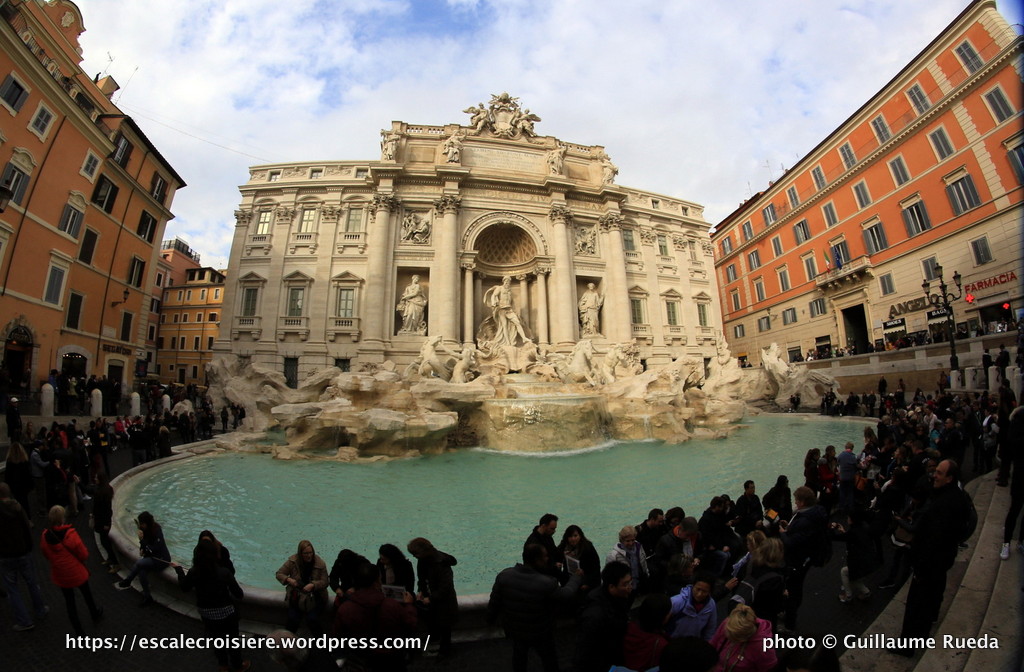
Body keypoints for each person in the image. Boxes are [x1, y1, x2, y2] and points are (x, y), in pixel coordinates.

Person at [894, 459, 970, 656]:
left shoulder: (943, 505)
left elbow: (932, 539)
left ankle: (907, 645)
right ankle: (923, 631)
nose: (934, 476)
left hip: (929, 563)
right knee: (931, 599)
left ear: (949, 478)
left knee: (916, 604)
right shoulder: (958, 496)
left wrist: (919, 565)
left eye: (939, 473)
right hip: (943, 560)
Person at [488, 543, 583, 672]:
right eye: (545, 556)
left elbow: (494, 603)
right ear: (538, 560)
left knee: (519, 658)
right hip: (540, 632)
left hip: (515, 629)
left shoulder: (504, 576)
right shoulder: (547, 583)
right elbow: (566, 595)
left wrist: (490, 620)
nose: (547, 559)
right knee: (549, 661)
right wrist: (576, 578)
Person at [174, 538, 250, 672]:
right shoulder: (223, 572)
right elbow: (239, 594)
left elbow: (184, 587)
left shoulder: (194, 572)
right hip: (227, 613)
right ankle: (238, 665)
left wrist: (179, 571)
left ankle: (223, 665)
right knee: (232, 640)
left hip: (207, 614)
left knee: (216, 640)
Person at [334, 559, 418, 672]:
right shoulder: (392, 605)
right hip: (391, 658)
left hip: (360, 658)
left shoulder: (345, 609)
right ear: (377, 582)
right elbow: (410, 625)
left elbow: (338, 636)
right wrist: (409, 606)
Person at [40, 505, 103, 635]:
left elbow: (46, 553)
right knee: (86, 593)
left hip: (60, 573)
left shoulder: (45, 536)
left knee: (70, 603)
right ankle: (94, 613)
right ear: (63, 518)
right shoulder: (70, 535)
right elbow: (83, 554)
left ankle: (79, 632)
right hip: (76, 571)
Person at [0, 483, 49, 632]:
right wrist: (29, 547)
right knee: (32, 582)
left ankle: (24, 620)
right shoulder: (17, 507)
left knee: (12, 589)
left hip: (5, 556)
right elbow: (26, 528)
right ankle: (40, 609)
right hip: (23, 552)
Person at [780, 486, 828, 631]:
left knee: (792, 590)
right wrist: (790, 528)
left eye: (796, 500)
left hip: (797, 560)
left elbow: (791, 543)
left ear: (802, 502)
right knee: (797, 588)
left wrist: (783, 533)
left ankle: (789, 624)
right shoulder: (816, 513)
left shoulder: (805, 521)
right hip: (806, 558)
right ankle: (790, 612)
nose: (795, 502)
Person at [574, 561, 632, 672]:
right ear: (611, 587)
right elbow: (584, 652)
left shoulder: (617, 597)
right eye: (625, 584)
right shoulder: (595, 615)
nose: (630, 587)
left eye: (630, 582)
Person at [407, 537, 458, 657]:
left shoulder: (441, 563)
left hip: (444, 601)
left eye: (416, 554)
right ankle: (437, 643)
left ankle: (444, 652)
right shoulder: (423, 560)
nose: (414, 556)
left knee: (445, 628)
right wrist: (421, 591)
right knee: (436, 624)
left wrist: (431, 598)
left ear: (424, 551)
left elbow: (446, 586)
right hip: (432, 598)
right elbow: (422, 578)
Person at [116, 510, 172, 606]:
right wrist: (142, 549)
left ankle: (128, 580)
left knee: (139, 563)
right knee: (142, 572)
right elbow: (145, 546)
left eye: (142, 523)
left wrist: (142, 541)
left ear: (147, 523)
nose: (141, 525)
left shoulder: (157, 530)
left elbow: (155, 548)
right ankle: (147, 596)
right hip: (151, 558)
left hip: (161, 559)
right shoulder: (144, 531)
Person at [276, 539, 329, 633]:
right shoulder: (292, 562)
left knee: (312, 619)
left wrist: (313, 585)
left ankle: (321, 641)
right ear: (300, 554)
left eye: (310, 552)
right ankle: (288, 640)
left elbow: (325, 582)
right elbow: (279, 574)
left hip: (315, 597)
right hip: (297, 597)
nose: (309, 555)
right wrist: (289, 580)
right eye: (306, 553)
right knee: (292, 620)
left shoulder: (320, 563)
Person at [709, 604, 777, 672]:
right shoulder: (729, 623)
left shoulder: (763, 646)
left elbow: (769, 668)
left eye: (735, 636)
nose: (729, 637)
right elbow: (712, 645)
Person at [622, 592, 671, 671]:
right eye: (668, 612)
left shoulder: (628, 627)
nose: (670, 614)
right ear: (662, 617)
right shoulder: (661, 645)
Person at [666, 571, 717, 640]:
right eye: (698, 589)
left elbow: (710, 628)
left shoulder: (711, 605)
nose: (699, 594)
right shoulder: (677, 601)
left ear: (710, 592)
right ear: (693, 586)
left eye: (704, 591)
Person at [482, 276, 530, 347]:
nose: (507, 282)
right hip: (501, 309)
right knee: (504, 326)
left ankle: (524, 338)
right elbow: (494, 295)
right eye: (506, 281)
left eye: (509, 281)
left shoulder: (509, 290)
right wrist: (494, 303)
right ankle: (507, 342)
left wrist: (514, 310)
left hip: (509, 309)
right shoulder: (500, 288)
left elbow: (511, 301)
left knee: (517, 322)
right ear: (503, 281)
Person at [605, 525, 649, 592]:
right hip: (625, 589)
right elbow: (609, 575)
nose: (631, 543)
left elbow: (644, 564)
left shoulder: (639, 547)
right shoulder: (613, 555)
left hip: (641, 584)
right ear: (621, 540)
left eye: (633, 540)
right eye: (627, 541)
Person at [559, 524, 601, 592]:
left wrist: (587, 583)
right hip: (569, 579)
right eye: (570, 536)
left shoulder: (588, 547)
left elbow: (595, 567)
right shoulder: (563, 546)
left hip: (586, 579)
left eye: (575, 536)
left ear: (580, 536)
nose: (573, 539)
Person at [91, 472, 119, 573]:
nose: (95, 479)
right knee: (104, 541)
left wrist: (107, 524)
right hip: (102, 520)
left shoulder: (102, 493)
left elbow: (106, 510)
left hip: (103, 521)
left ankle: (116, 563)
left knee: (105, 542)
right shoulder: (105, 490)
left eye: (96, 477)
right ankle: (110, 559)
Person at [525, 513, 563, 578]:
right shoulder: (533, 542)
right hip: (539, 577)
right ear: (543, 526)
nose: (554, 531)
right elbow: (535, 565)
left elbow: (554, 552)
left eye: (554, 529)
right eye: (552, 529)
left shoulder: (548, 536)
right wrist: (554, 566)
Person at [3, 441, 33, 517]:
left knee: (15, 504)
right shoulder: (24, 462)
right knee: (25, 503)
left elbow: (7, 477)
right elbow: (29, 475)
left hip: (14, 488)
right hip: (24, 487)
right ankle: (27, 518)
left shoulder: (9, 462)